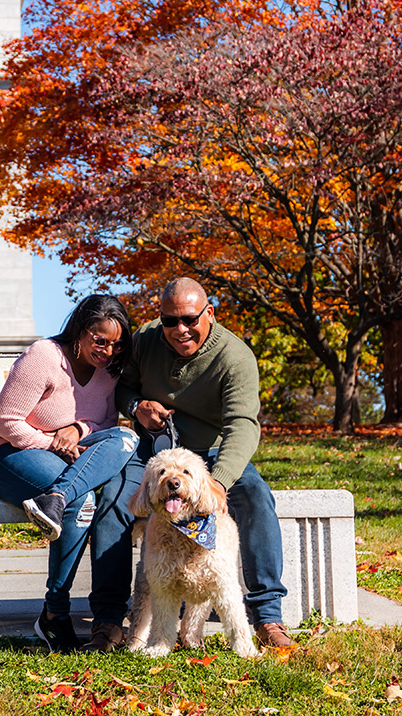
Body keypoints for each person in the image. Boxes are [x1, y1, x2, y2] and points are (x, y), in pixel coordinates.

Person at [87, 277, 295, 651]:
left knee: (256, 498)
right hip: (154, 456)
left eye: (189, 319)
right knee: (114, 503)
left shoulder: (235, 356)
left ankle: (267, 616)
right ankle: (107, 621)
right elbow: (121, 389)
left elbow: (243, 425)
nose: (179, 330)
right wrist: (136, 407)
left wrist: (220, 480)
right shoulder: (146, 340)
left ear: (209, 314)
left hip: (213, 455)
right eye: (170, 321)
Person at [0, 294, 140, 653]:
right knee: (83, 499)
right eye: (100, 340)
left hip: (70, 458)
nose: (108, 350)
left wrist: (79, 429)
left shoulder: (109, 373)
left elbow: (105, 424)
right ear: (80, 331)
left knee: (126, 437)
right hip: (9, 454)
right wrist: (53, 442)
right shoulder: (44, 357)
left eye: (116, 344)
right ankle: (55, 613)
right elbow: (4, 423)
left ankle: (57, 496)